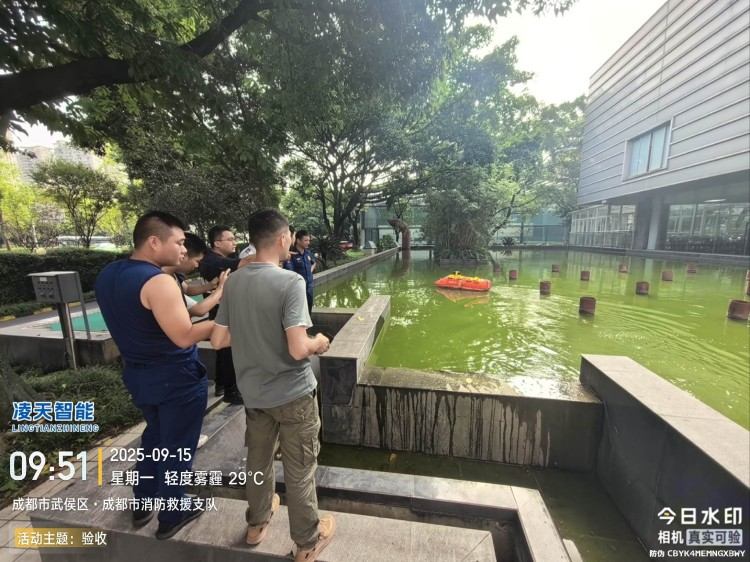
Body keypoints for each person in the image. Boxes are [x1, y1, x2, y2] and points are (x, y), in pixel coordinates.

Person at [211, 209, 334, 562]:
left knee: (258, 461)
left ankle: (256, 524)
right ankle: (307, 543)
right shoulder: (290, 282)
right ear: (282, 239)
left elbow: (218, 339)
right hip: (293, 394)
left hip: (254, 395)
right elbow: (298, 348)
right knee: (300, 468)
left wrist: (255, 334)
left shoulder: (235, 282)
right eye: (290, 237)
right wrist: (319, 342)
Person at [95, 211, 212, 540]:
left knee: (155, 439)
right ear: (154, 242)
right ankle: (173, 513)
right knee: (178, 447)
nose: (183, 250)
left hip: (138, 375)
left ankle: (143, 501)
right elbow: (184, 335)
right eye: (179, 242)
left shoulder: (109, 274)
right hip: (176, 377)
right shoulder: (158, 282)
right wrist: (225, 325)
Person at [199, 225, 252, 404]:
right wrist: (269, 250)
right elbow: (244, 262)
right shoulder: (213, 261)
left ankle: (221, 384)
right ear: (217, 243)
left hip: (222, 311)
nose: (234, 242)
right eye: (230, 239)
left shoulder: (218, 259)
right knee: (229, 352)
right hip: (223, 313)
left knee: (223, 352)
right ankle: (231, 391)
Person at [283, 229, 316, 314]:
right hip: (298, 289)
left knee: (309, 310)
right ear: (298, 240)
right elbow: (290, 272)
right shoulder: (292, 254)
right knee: (299, 312)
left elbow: (314, 263)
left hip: (309, 287)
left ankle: (308, 323)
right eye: (306, 240)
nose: (308, 243)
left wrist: (309, 271)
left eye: (309, 240)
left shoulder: (307, 253)